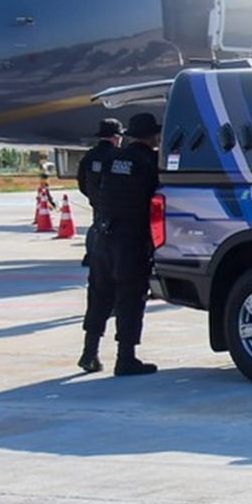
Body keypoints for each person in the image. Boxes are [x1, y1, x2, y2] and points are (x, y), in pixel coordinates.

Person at [80, 112, 161, 376]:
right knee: (130, 297)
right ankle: (125, 357)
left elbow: (92, 188)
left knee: (99, 294)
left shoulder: (112, 159)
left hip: (104, 234)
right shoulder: (150, 162)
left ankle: (89, 353)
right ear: (151, 136)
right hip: (132, 238)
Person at [76, 118, 123, 269]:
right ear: (116, 138)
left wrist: (92, 195)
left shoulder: (90, 155)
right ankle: (99, 256)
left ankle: (92, 255)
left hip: (96, 198)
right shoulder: (117, 155)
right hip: (114, 201)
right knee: (108, 229)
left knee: (97, 224)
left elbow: (81, 180)